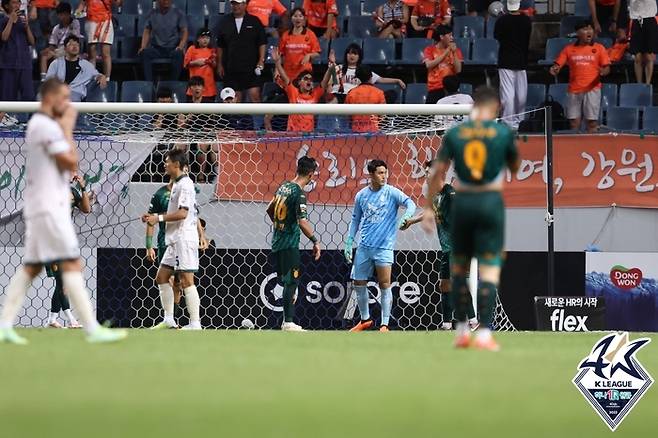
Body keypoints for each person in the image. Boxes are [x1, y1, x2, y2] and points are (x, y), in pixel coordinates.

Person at [0, 78, 127, 345]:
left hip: (42, 204)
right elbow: (70, 160)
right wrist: (68, 128)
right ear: (50, 97)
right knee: (71, 264)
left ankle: (4, 325)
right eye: (64, 97)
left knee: (32, 268)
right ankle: (90, 328)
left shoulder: (38, 125)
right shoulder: (47, 126)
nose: (68, 104)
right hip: (50, 206)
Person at [425, 86, 520, 350]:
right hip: (489, 201)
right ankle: (485, 334)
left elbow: (437, 172)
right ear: (496, 107)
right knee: (488, 269)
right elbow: (514, 166)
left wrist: (427, 209)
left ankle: (463, 330)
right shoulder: (502, 132)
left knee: (459, 269)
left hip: (463, 201)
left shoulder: (455, 133)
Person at [401, 161, 479, 330]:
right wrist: (411, 221)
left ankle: (473, 320)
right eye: (426, 172)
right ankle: (446, 323)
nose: (427, 176)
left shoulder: (450, 194)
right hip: (447, 248)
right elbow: (429, 211)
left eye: (431, 172)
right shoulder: (436, 195)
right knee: (444, 284)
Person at [345, 160, 416, 332]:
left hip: (384, 247)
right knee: (358, 282)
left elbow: (411, 204)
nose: (384, 176)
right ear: (371, 174)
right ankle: (365, 320)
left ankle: (384, 324)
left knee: (385, 284)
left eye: (385, 172)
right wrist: (349, 241)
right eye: (380, 173)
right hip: (364, 247)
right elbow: (355, 219)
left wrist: (406, 216)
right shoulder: (361, 195)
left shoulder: (391, 192)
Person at [142, 149, 203, 330]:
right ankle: (169, 319)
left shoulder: (185, 185)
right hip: (174, 239)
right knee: (161, 277)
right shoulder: (177, 184)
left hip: (184, 238)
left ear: (177, 165)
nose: (165, 164)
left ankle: (195, 323)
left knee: (186, 280)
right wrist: (152, 217)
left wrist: (158, 218)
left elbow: (183, 213)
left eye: (167, 161)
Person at [266, 156, 322, 331]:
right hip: (290, 244)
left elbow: (269, 208)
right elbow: (302, 222)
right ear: (311, 175)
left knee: (289, 283)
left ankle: (287, 320)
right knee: (292, 282)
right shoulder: (299, 193)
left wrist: (279, 227)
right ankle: (288, 322)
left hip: (277, 242)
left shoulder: (284, 186)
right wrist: (315, 241)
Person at [45, 173, 91, 329]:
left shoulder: (72, 191)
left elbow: (86, 209)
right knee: (63, 282)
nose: (74, 174)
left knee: (62, 282)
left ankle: (52, 319)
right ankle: (71, 319)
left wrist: (83, 188)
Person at [550, 20, 610, 133]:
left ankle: (591, 148)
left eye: (590, 29)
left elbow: (607, 68)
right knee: (574, 123)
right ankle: (574, 149)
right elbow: (557, 64)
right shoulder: (568, 49)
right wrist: (555, 68)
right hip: (574, 90)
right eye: (585, 29)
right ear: (577, 33)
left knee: (592, 123)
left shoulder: (599, 48)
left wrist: (603, 71)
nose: (589, 32)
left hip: (593, 89)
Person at [271, 46, 334, 132]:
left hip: (308, 136)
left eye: (310, 80)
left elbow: (325, 81)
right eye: (305, 79)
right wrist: (277, 63)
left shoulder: (315, 95)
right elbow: (285, 78)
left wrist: (331, 67)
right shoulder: (293, 92)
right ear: (299, 82)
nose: (309, 81)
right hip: (292, 135)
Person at [216, 0, 267, 103]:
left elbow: (262, 42)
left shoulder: (254, 21)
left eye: (238, 3)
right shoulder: (224, 22)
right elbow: (220, 46)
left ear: (245, 4)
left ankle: (258, 120)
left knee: (255, 95)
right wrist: (220, 64)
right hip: (232, 68)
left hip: (251, 67)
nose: (235, 6)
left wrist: (261, 60)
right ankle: (237, 120)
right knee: (235, 99)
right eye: (233, 3)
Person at [494, 0, 531, 129]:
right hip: (521, 60)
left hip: (506, 60)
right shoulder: (526, 20)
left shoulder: (501, 21)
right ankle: (519, 121)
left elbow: (497, 36)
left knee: (508, 94)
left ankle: (508, 122)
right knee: (521, 95)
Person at [330, 43, 406, 103]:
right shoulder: (338, 68)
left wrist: (397, 80)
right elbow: (330, 84)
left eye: (355, 54)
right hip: (339, 97)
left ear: (359, 56)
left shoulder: (363, 70)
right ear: (346, 55)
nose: (351, 56)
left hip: (357, 99)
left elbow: (381, 79)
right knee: (336, 98)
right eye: (349, 53)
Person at [45, 34, 108, 102]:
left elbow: (97, 75)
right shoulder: (56, 63)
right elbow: (48, 81)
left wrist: (101, 77)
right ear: (65, 48)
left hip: (74, 93)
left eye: (77, 45)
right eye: (71, 44)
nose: (75, 46)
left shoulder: (86, 65)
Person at [0, 0, 36, 116]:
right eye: (14, 2)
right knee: (7, 97)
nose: (17, 5)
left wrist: (27, 27)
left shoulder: (23, 21)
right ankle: (5, 123)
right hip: (8, 64)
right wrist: (11, 20)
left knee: (29, 96)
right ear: (6, 5)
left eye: (18, 3)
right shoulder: (2, 20)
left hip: (25, 63)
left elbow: (32, 41)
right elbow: (4, 38)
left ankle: (28, 123)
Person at [139, 0, 188, 82]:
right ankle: (149, 84)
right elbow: (147, 30)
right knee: (144, 53)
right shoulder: (152, 14)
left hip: (173, 48)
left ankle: (173, 83)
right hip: (157, 48)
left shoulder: (178, 13)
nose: (166, 1)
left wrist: (181, 46)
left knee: (179, 54)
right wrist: (143, 46)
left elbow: (184, 31)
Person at [75, 0, 122, 78]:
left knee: (105, 53)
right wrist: (78, 12)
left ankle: (107, 78)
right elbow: (82, 4)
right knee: (92, 52)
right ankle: (90, 77)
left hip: (105, 21)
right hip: (91, 21)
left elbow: (118, 3)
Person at [278, 7, 321, 84]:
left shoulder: (310, 34)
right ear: (291, 18)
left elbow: (317, 53)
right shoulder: (285, 35)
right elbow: (280, 55)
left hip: (304, 74)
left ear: (304, 18)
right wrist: (277, 70)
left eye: (300, 16)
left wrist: (309, 55)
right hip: (288, 74)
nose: (297, 18)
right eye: (295, 16)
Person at [39, 2, 81, 80]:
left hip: (70, 47)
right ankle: (44, 79)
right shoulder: (56, 28)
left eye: (65, 14)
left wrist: (71, 27)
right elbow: (52, 45)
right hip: (58, 49)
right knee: (44, 56)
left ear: (69, 14)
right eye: (61, 15)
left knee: (61, 54)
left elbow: (76, 38)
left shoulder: (75, 23)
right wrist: (47, 50)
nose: (63, 17)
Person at [423, 25, 463, 104]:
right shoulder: (430, 50)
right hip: (435, 88)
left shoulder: (456, 50)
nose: (452, 38)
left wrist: (454, 52)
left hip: (450, 89)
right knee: (429, 115)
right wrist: (446, 52)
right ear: (441, 37)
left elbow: (458, 70)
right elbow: (429, 65)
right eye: (449, 35)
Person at [344, 65, 386, 133]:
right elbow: (383, 116)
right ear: (371, 76)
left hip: (355, 133)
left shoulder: (351, 93)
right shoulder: (379, 93)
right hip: (374, 132)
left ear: (357, 78)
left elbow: (347, 117)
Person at [183, 28, 217, 101]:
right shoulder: (192, 49)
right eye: (203, 38)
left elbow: (215, 65)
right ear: (198, 39)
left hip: (209, 88)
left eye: (207, 38)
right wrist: (196, 62)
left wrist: (211, 62)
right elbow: (185, 64)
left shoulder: (212, 50)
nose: (205, 40)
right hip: (194, 87)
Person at [628, 0, 657, 84]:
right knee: (638, 58)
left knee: (649, 56)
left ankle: (647, 85)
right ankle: (639, 84)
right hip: (636, 20)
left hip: (650, 19)